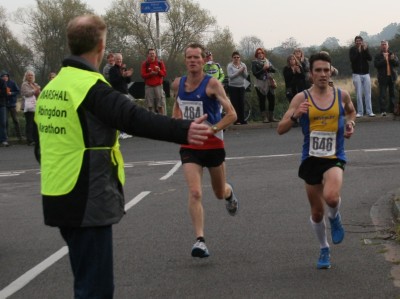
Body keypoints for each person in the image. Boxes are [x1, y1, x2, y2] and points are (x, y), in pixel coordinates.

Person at [34, 14, 210, 299]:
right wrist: (184, 129)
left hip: (57, 194)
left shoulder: (51, 89)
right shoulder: (90, 88)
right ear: (102, 46)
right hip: (87, 196)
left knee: (84, 280)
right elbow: (134, 118)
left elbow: (40, 148)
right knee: (96, 289)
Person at [277, 52, 356, 269]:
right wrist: (295, 116)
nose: (322, 74)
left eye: (326, 70)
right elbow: (280, 129)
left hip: (334, 156)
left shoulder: (341, 95)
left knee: (331, 197)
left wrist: (350, 124)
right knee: (316, 212)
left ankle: (335, 216)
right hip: (311, 158)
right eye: (318, 70)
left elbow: (351, 113)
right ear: (311, 74)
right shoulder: (301, 98)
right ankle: (324, 248)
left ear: (331, 71)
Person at [172, 42, 239, 259]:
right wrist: (178, 124)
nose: (192, 60)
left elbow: (232, 115)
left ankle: (229, 194)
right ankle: (200, 240)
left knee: (219, 193)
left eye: (196, 57)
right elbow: (177, 106)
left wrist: (212, 130)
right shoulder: (178, 84)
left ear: (203, 60)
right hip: (190, 146)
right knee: (195, 192)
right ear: (185, 60)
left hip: (213, 145)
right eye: (189, 57)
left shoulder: (212, 85)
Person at [109, 52, 134, 139]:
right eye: (117, 59)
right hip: (118, 93)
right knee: (121, 113)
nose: (119, 60)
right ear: (114, 60)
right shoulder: (112, 70)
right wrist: (122, 76)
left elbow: (127, 81)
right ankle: (121, 132)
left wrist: (128, 75)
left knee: (125, 112)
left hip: (125, 92)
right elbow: (113, 81)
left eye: (120, 59)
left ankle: (123, 131)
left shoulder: (123, 68)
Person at [349, 36, 375, 118]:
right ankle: (360, 112)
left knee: (368, 93)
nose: (358, 42)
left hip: (366, 74)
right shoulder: (352, 50)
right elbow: (352, 60)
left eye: (360, 41)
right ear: (355, 42)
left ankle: (369, 111)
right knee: (359, 93)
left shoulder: (365, 49)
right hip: (356, 74)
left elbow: (370, 58)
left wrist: (365, 50)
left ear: (362, 42)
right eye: (357, 41)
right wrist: (358, 51)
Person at [251, 47, 278, 123]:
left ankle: (271, 117)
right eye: (258, 53)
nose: (260, 54)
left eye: (261, 53)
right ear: (256, 54)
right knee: (262, 100)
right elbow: (255, 73)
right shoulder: (254, 62)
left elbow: (274, 70)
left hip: (269, 82)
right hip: (259, 84)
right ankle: (264, 117)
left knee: (272, 99)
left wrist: (268, 67)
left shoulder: (267, 61)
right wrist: (263, 69)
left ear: (263, 54)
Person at [374, 40, 399, 116]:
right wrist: (384, 60)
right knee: (383, 94)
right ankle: (383, 111)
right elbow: (376, 65)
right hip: (382, 77)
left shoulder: (392, 54)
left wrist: (392, 59)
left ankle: (392, 110)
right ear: (381, 46)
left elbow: (397, 64)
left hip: (391, 76)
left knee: (392, 94)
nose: (384, 46)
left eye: (385, 44)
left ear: (388, 46)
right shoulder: (378, 55)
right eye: (382, 44)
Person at [141, 48, 167, 114]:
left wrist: (158, 71)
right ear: (148, 55)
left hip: (158, 86)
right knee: (149, 106)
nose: (152, 55)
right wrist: (150, 74)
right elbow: (143, 75)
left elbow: (164, 74)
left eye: (153, 53)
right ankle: (150, 121)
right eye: (150, 54)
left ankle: (163, 120)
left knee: (160, 105)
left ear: (155, 54)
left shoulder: (160, 63)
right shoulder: (145, 64)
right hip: (149, 87)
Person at [227, 51, 249, 125]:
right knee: (234, 104)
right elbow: (231, 76)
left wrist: (242, 72)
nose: (236, 59)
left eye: (238, 57)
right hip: (233, 87)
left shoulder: (243, 65)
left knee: (241, 103)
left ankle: (242, 119)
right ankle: (236, 120)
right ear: (232, 58)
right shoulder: (230, 66)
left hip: (241, 86)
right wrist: (239, 72)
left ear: (240, 58)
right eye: (234, 57)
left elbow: (246, 76)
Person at [20, 70, 40, 146]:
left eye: (32, 75)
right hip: (28, 106)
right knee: (29, 123)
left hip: (35, 105)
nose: (30, 76)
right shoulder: (24, 84)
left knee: (35, 123)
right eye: (29, 75)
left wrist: (37, 91)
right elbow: (26, 93)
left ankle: (36, 138)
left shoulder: (35, 84)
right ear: (26, 76)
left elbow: (39, 93)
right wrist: (34, 90)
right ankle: (30, 139)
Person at [1, 72, 22, 142]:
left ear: (8, 77)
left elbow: (18, 91)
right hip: (4, 105)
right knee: (5, 122)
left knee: (15, 120)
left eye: (6, 76)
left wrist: (11, 93)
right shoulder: (1, 83)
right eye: (3, 76)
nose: (5, 77)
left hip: (12, 104)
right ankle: (6, 137)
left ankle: (19, 136)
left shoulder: (12, 83)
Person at [0, 75, 8, 147]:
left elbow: (4, 93)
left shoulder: (2, 82)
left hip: (1, 105)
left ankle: (4, 140)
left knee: (3, 123)